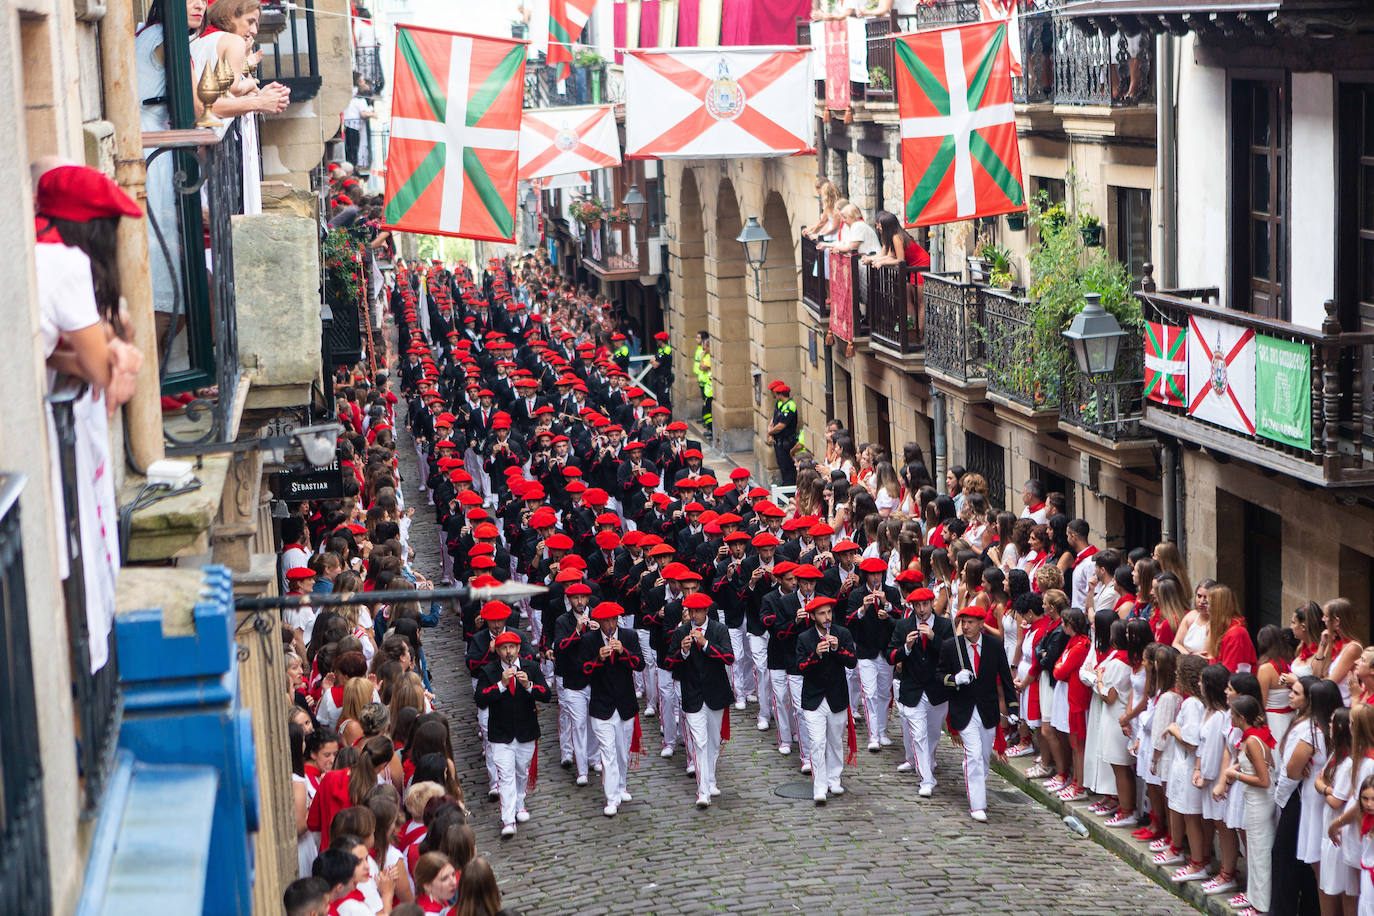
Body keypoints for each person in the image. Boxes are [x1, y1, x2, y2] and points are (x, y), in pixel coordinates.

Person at [938, 605, 1019, 821]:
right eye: (963, 622)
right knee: (972, 755)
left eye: (970, 622)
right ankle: (977, 804)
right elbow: (939, 675)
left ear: (981, 624)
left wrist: (1012, 708)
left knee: (983, 756)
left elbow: (1006, 678)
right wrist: (954, 679)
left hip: (987, 709)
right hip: (963, 708)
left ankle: (977, 787)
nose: (965, 626)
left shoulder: (994, 645)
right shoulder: (950, 646)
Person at [473, 631, 550, 838]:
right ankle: (507, 820)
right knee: (505, 777)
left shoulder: (531, 667)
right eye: (504, 648)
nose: (508, 652)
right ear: (498, 651)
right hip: (501, 733)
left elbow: (546, 695)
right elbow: (480, 698)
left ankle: (520, 803)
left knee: (522, 771)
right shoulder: (489, 671)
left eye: (512, 648)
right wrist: (501, 685)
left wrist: (528, 685)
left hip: (526, 730)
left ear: (518, 649)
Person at [663, 593, 735, 807]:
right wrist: (683, 652)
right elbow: (668, 662)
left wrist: (704, 644)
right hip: (692, 693)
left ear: (706, 611)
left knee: (713, 741)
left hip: (716, 693)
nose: (693, 615)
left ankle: (711, 779)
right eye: (690, 611)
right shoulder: (680, 632)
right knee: (699, 742)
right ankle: (702, 790)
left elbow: (729, 658)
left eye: (697, 611)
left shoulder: (719, 630)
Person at [581, 600, 645, 817]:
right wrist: (598, 658)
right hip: (601, 705)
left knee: (622, 752)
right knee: (607, 753)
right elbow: (584, 670)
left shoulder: (629, 636)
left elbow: (640, 664)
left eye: (613, 620)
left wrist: (624, 652)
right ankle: (611, 798)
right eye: (605, 620)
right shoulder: (589, 640)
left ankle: (621, 786)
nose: (609, 624)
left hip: (625, 703)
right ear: (598, 621)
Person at [889, 586, 951, 794]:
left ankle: (927, 762)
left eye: (925, 604)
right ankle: (926, 779)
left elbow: (951, 656)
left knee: (932, 733)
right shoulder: (903, 625)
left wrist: (934, 638)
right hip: (912, 688)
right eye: (918, 605)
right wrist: (905, 648)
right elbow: (891, 655)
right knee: (918, 735)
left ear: (932, 603)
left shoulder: (944, 625)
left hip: (936, 692)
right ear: (912, 606)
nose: (922, 609)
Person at [796, 595, 858, 804]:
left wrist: (836, 648)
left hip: (836, 696)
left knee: (834, 741)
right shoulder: (805, 638)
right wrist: (816, 655)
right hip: (813, 698)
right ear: (813, 616)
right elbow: (800, 667)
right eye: (822, 613)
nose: (827, 617)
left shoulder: (842, 633)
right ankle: (819, 786)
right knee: (817, 742)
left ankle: (834, 779)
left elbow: (851, 662)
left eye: (829, 612)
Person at [766, 381, 798, 486]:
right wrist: (770, 431)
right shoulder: (779, 403)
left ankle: (788, 489)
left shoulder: (790, 406)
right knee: (782, 466)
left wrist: (770, 432)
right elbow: (774, 419)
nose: (773, 394)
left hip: (787, 442)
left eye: (774, 392)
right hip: (779, 442)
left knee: (788, 467)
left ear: (780, 394)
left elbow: (781, 425)